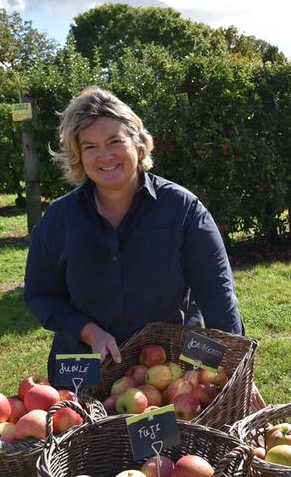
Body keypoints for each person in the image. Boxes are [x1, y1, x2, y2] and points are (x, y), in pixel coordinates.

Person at [23, 86, 244, 384]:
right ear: (78, 155)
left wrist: (234, 371)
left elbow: (218, 296)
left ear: (138, 143)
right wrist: (88, 331)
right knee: (88, 432)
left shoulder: (182, 209)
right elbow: (41, 294)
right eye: (90, 146)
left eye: (115, 141)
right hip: (85, 368)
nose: (105, 155)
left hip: (169, 370)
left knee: (172, 432)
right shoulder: (59, 219)